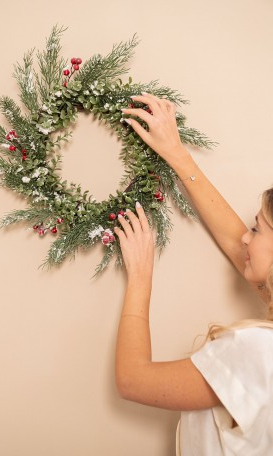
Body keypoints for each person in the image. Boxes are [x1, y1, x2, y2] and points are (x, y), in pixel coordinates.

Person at [113, 93, 273, 455]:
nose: (247, 236)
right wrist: (176, 153)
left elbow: (133, 380)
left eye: (258, 228)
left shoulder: (260, 351)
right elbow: (238, 244)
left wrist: (140, 277)